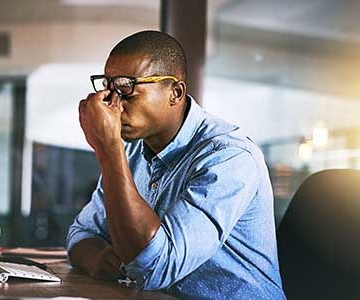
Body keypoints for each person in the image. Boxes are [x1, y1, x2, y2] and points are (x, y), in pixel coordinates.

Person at [66, 30, 285, 299]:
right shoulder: (133, 151)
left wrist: (108, 149)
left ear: (175, 92)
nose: (113, 106)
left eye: (127, 90)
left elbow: (156, 266)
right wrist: (98, 258)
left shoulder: (230, 157)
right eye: (109, 89)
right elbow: (81, 232)